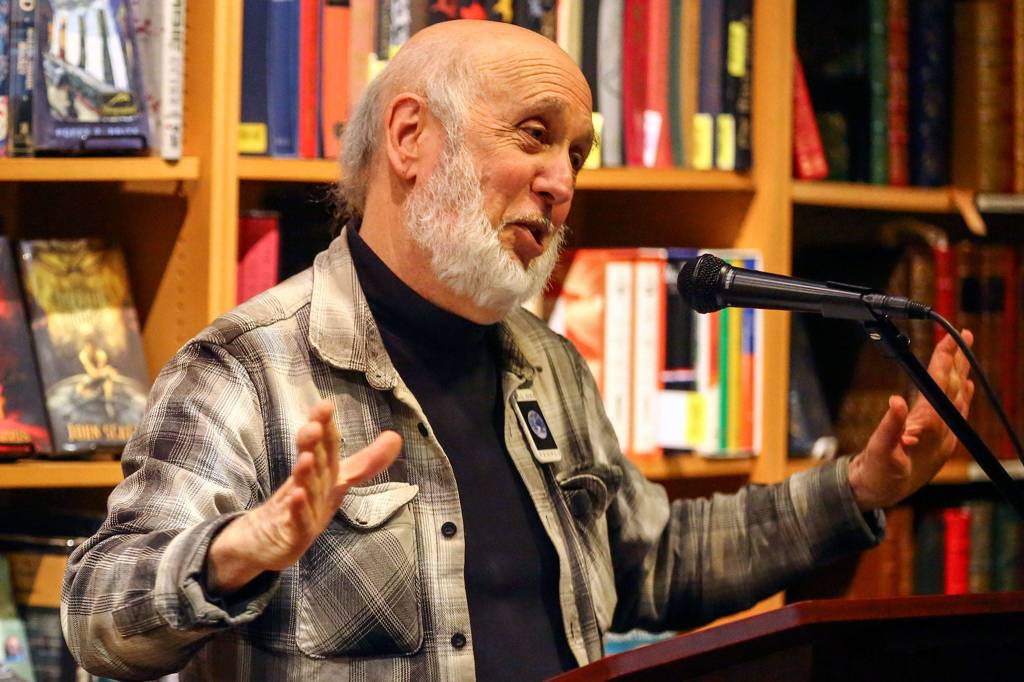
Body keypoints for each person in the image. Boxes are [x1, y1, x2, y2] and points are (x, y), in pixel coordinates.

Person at [61, 19, 974, 682]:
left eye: (577, 153)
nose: (563, 181)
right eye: (535, 135)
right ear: (410, 137)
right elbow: (97, 616)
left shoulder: (550, 364)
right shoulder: (247, 368)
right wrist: (236, 551)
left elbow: (651, 563)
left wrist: (860, 489)